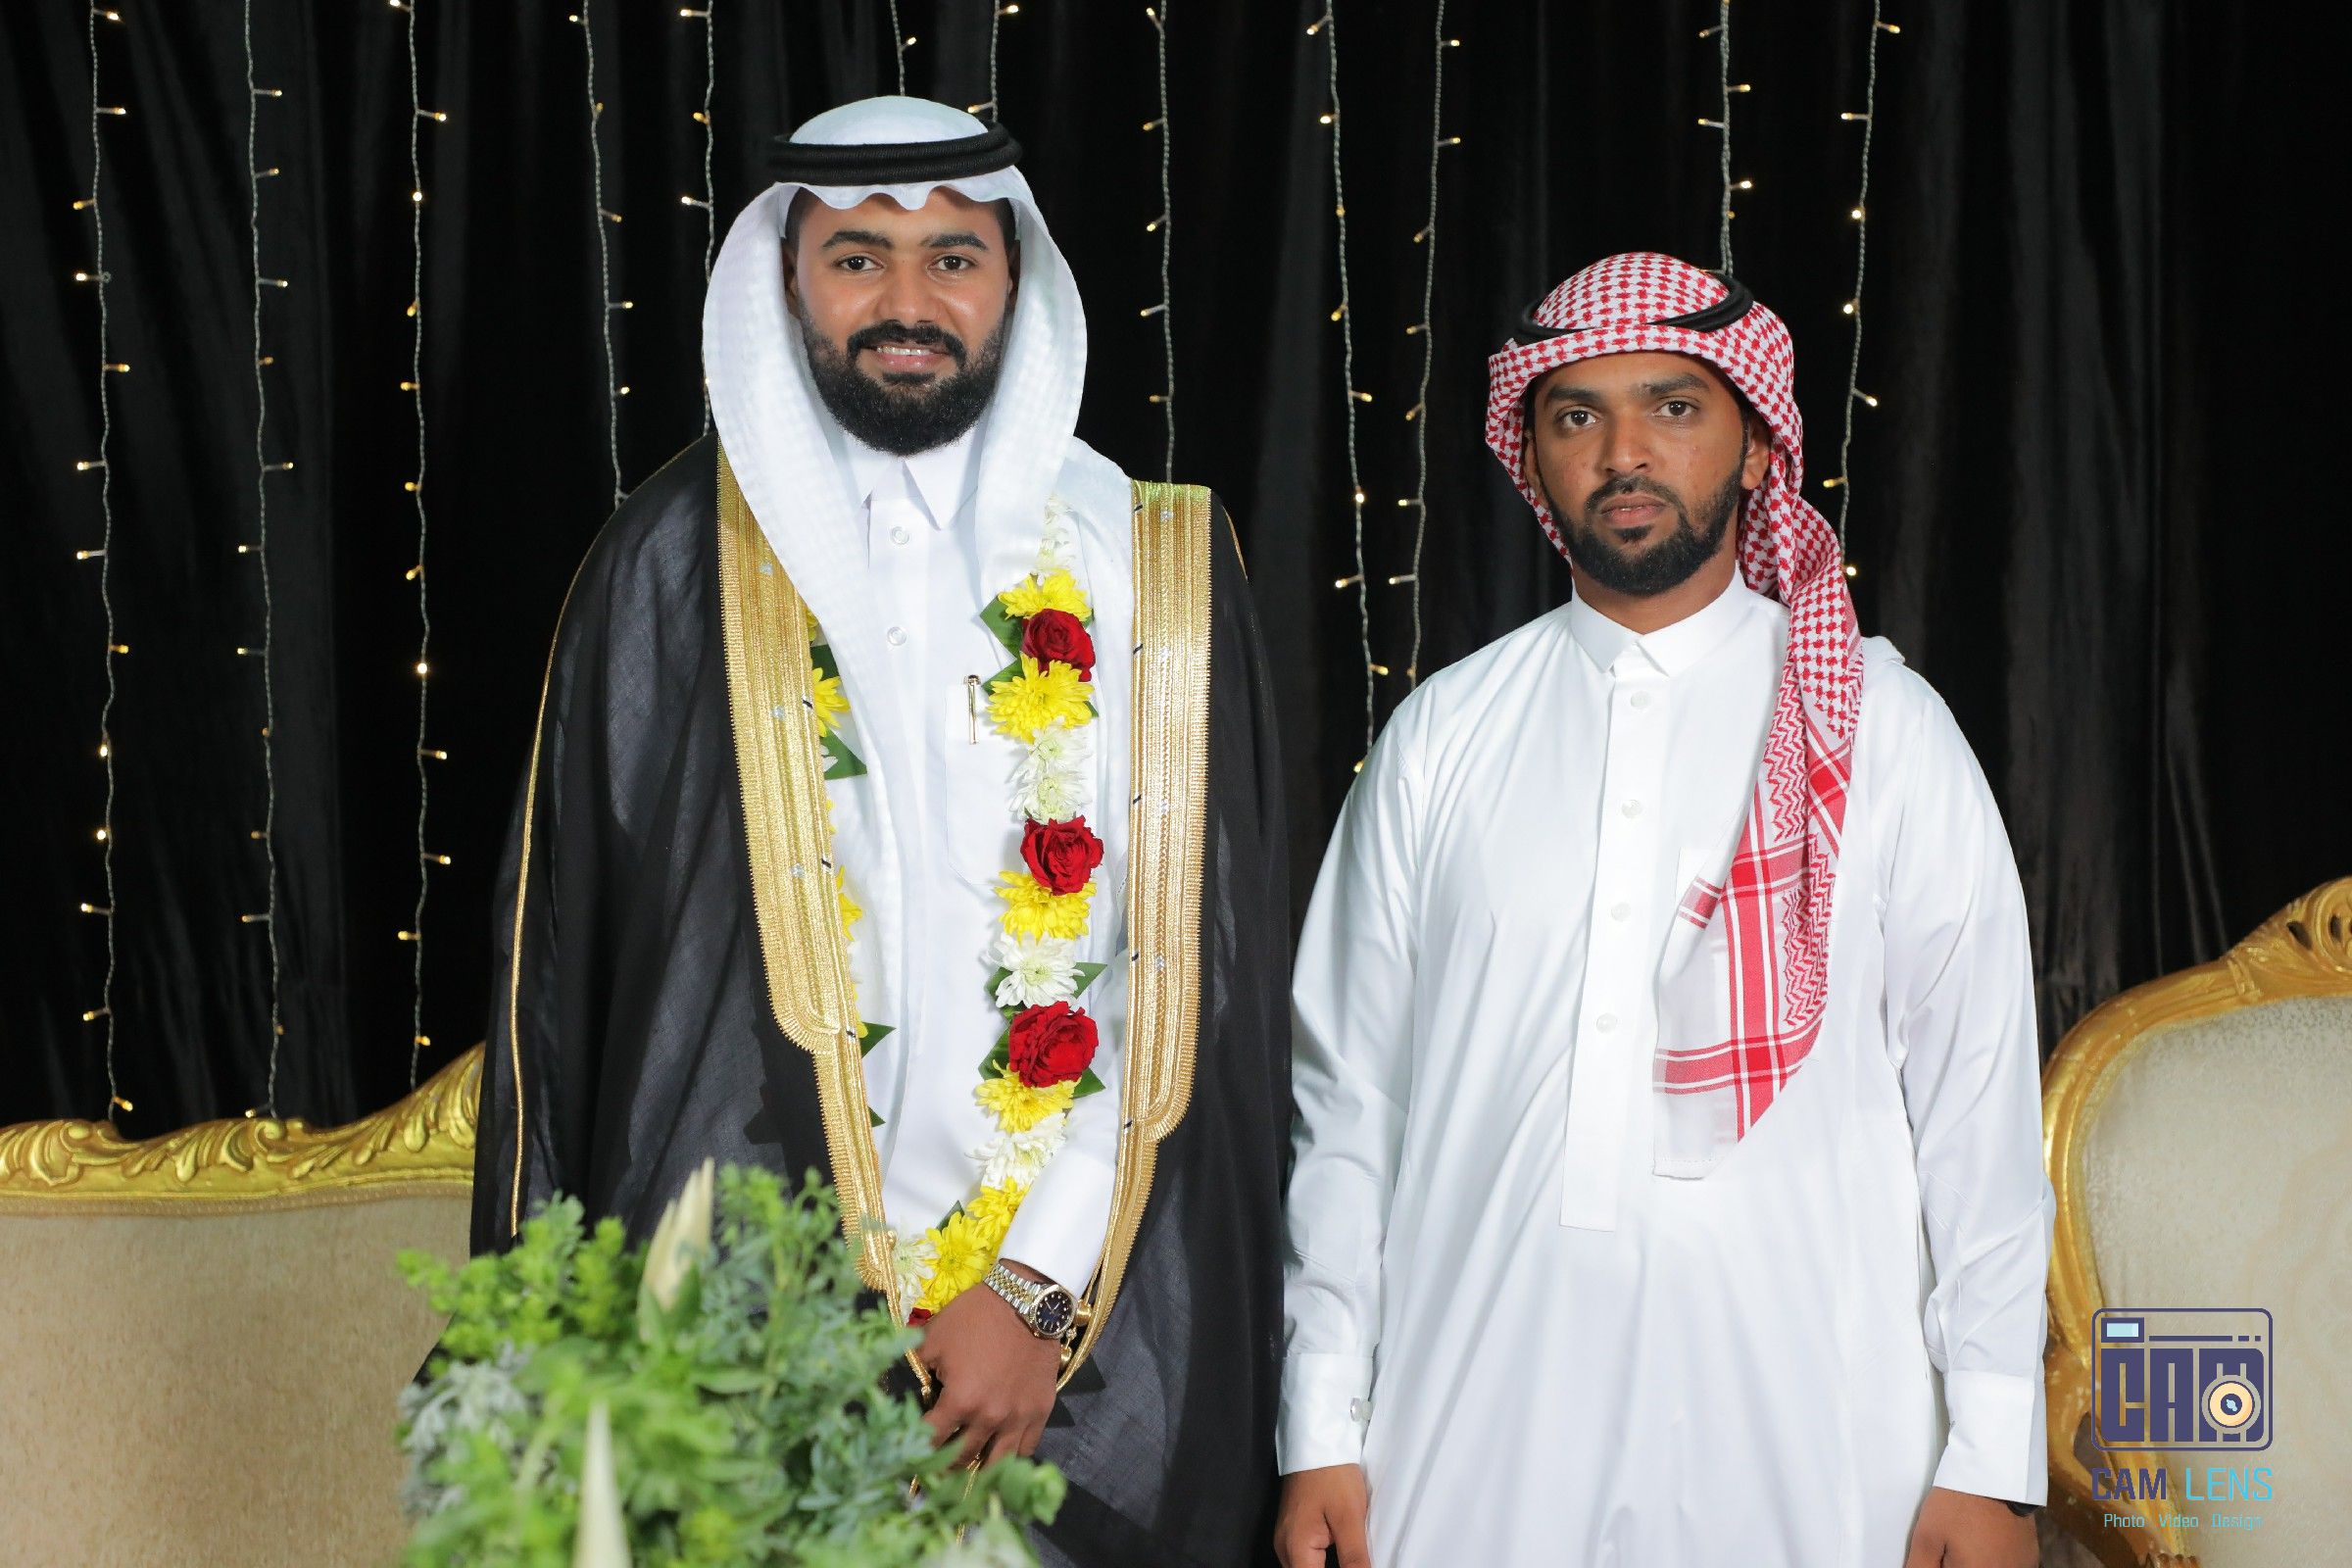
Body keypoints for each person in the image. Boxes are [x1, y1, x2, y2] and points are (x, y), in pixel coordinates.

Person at [470, 97, 1291, 1567]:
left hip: (1087, 1344)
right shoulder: (669, 564)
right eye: (858, 257)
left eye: (953, 258)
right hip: (752, 1335)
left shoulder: (1146, 558)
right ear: (787, 280)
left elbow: (1194, 970)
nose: (908, 303)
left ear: (1015, 278)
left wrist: (1034, 1294)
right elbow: (569, 995)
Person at [1275, 252, 2050, 1567]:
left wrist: (1990, 1457)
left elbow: (1978, 1107)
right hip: (1473, 1430)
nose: (1623, 452)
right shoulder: (1441, 738)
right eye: (1576, 415)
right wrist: (1318, 1428)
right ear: (1534, 453)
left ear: (1756, 447)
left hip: (1823, 1434)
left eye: (1673, 408)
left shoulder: (1885, 727)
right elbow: (1350, 1109)